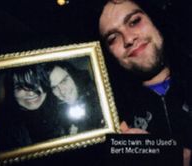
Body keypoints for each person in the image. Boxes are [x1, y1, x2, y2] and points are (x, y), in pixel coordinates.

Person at [99, 0, 192, 165]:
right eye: (113, 38)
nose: (128, 38)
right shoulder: (112, 120)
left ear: (155, 20)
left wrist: (168, 154)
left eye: (134, 21)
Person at [0, 65, 59, 152]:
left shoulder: (60, 106)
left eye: (37, 83)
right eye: (20, 87)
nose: (31, 93)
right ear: (11, 91)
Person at [43, 61, 105, 136]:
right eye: (54, 87)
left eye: (64, 81)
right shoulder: (55, 115)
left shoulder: (101, 95)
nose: (62, 91)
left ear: (73, 75)